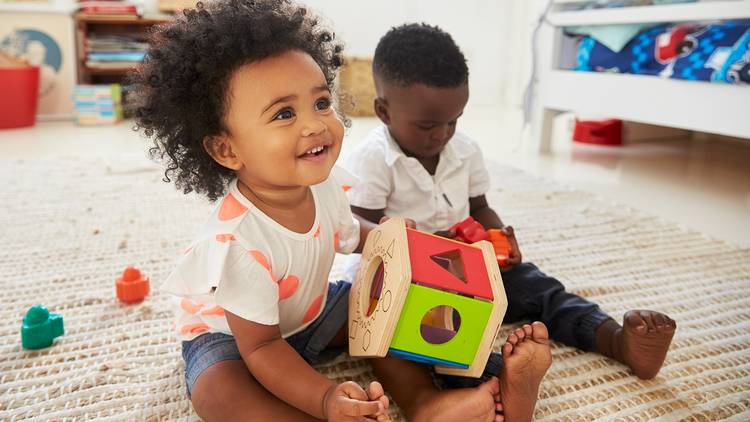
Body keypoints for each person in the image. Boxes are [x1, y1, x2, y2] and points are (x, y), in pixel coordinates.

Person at [344, 22, 676, 417]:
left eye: (455, 120)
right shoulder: (372, 159)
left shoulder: (464, 151)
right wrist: (420, 248)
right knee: (443, 339)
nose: (443, 134)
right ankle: (502, 386)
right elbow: (361, 232)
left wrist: (499, 237)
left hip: (468, 264)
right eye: (429, 125)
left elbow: (480, 206)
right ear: (383, 111)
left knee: (540, 287)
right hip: (409, 283)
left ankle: (616, 340)